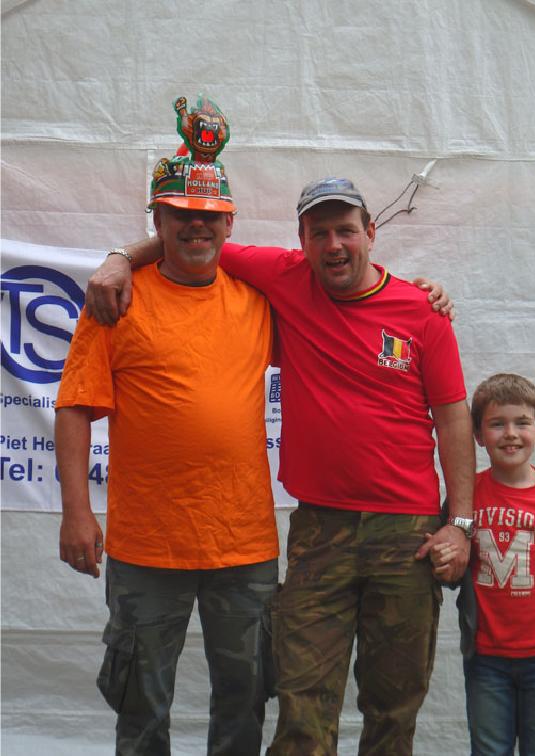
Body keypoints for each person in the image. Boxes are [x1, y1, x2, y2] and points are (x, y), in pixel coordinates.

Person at [86, 174, 475, 755]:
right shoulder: (286, 277)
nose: (334, 245)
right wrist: (119, 258)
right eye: (320, 233)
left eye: (346, 230)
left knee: (393, 706)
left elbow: (453, 418)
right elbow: (191, 239)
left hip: (408, 532)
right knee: (301, 700)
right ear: (302, 241)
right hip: (320, 529)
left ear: (371, 233)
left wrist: (460, 524)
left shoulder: (422, 311)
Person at [55, 96, 279, 756]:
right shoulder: (116, 300)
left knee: (245, 696)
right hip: (147, 546)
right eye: (180, 213)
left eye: (209, 214)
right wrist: (76, 514)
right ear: (157, 218)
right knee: (140, 702)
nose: (195, 226)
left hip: (244, 543)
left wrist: (418, 293)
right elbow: (74, 409)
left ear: (229, 221)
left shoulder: (258, 298)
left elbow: (343, 296)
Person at [431, 373, 535, 756]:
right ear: (477, 435)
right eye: (496, 424)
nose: (510, 434)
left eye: (521, 422)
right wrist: (443, 561)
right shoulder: (465, 497)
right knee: (489, 750)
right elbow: (450, 571)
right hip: (486, 660)